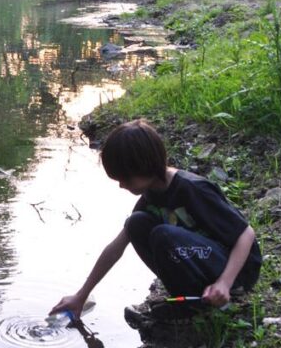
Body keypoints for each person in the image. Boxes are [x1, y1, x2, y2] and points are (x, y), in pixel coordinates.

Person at [51, 119, 261, 321]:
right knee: (136, 223)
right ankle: (187, 299)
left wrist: (225, 282)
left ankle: (193, 307)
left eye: (125, 178)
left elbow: (246, 234)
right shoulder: (151, 192)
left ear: (145, 166)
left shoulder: (192, 189)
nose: (121, 185)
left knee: (163, 235)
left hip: (235, 270)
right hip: (202, 261)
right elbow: (117, 247)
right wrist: (81, 295)